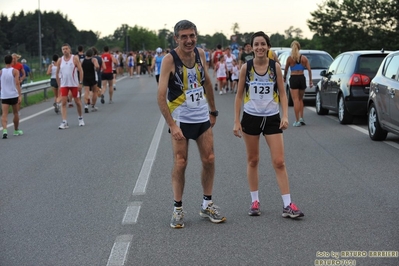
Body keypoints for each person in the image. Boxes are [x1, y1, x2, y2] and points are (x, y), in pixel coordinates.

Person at [157, 20, 226, 229]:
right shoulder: (170, 60)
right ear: (176, 39)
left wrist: (213, 111)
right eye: (184, 36)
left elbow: (206, 82)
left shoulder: (200, 54)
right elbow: (161, 96)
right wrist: (172, 125)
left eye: (192, 36)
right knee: (181, 162)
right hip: (180, 118)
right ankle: (177, 208)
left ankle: (207, 204)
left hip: (201, 115)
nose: (189, 40)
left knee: (209, 158)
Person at [233, 31, 304, 219]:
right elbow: (239, 95)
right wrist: (236, 121)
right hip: (251, 117)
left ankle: (288, 204)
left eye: (263, 44)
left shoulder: (275, 67)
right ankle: (254, 201)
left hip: (272, 117)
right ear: (251, 47)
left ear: (268, 46)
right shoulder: (246, 68)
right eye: (256, 44)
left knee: (279, 162)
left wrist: (286, 116)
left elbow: (282, 92)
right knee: (253, 160)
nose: (259, 48)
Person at [283, 40, 312, 127]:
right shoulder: (304, 58)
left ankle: (297, 120)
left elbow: (286, 69)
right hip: (302, 78)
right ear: (299, 48)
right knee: (300, 99)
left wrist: (284, 77)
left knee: (295, 100)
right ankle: (302, 118)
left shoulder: (289, 58)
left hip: (294, 78)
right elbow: (309, 70)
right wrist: (310, 80)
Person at [56, 43, 85, 129]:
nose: (65, 50)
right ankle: (64, 122)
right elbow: (57, 73)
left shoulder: (74, 58)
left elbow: (80, 70)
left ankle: (80, 118)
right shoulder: (60, 60)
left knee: (77, 102)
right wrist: (59, 85)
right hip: (64, 84)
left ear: (69, 49)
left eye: (66, 49)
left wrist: (80, 82)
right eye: (63, 49)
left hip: (74, 84)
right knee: (64, 103)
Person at [1, 55, 23, 138]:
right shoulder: (15, 71)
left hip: (4, 96)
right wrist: (19, 95)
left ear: (4, 61)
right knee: (16, 113)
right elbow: (17, 83)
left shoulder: (1, 71)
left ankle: (5, 131)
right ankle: (16, 130)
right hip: (13, 95)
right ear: (12, 62)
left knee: (4, 114)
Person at [82, 48, 100, 113]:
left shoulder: (83, 61)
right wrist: (96, 69)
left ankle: (86, 106)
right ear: (92, 54)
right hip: (92, 77)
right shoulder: (93, 59)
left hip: (85, 77)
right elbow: (97, 66)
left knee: (86, 92)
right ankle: (93, 106)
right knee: (94, 91)